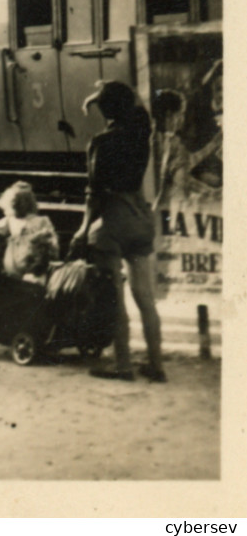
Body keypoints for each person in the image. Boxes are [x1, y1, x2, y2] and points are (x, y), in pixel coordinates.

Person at [69, 80, 166, 383]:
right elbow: (137, 108)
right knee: (144, 296)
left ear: (107, 110)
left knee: (115, 297)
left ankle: (123, 366)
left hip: (113, 223)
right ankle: (157, 365)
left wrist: (83, 230)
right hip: (140, 218)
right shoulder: (142, 133)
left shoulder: (101, 142)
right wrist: (106, 93)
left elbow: (94, 193)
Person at [0, 181, 58, 280]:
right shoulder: (7, 222)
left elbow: (48, 251)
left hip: (33, 271)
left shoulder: (41, 222)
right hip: (11, 270)